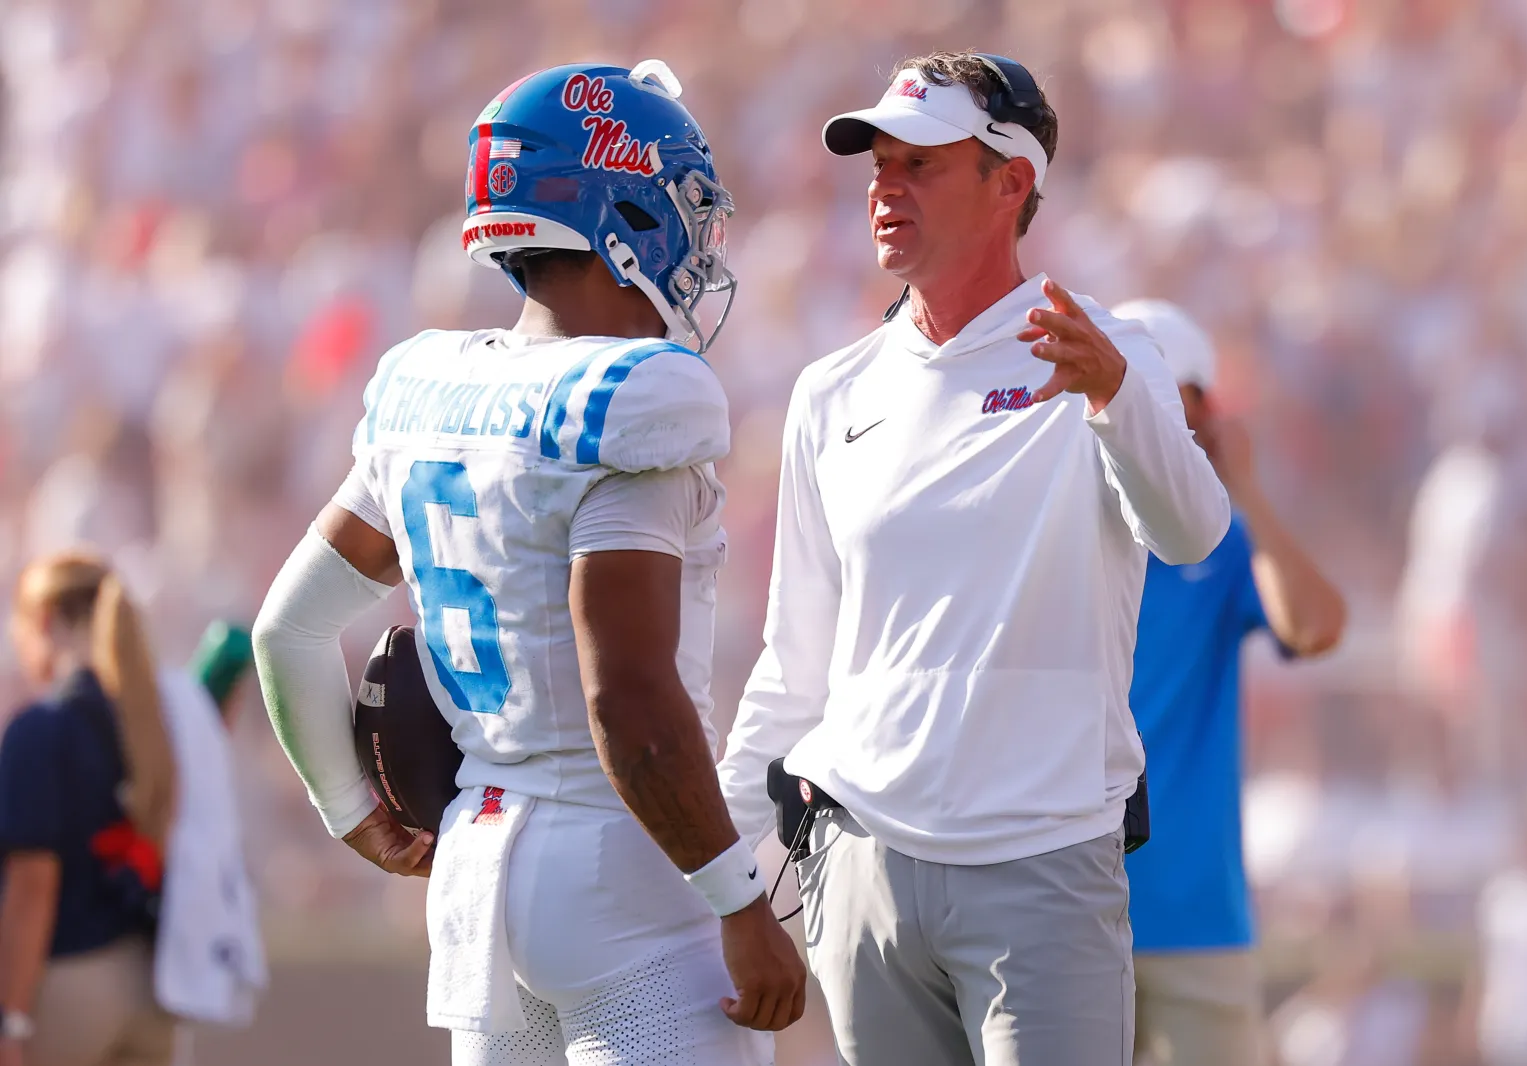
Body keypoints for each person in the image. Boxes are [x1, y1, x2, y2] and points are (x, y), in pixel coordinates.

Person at [251, 61, 806, 1066]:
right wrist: (738, 898)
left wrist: (351, 815)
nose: (693, 237)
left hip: (478, 872)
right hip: (627, 870)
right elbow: (626, 701)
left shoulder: (429, 385)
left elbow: (284, 630)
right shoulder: (638, 393)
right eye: (679, 204)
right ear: (621, 209)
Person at [717, 52, 1231, 1066]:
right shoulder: (831, 390)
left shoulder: (1108, 353)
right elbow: (795, 659)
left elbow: (1193, 533)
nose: (884, 189)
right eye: (879, 166)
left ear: (1011, 182)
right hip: (859, 868)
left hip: (1040, 865)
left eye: (919, 165)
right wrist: (722, 869)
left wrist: (1115, 395)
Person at [1111, 299, 1346, 1066]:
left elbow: (1313, 628)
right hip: (1068, 906)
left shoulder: (1223, 540)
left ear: (1204, 409)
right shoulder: (1067, 529)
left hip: (1194, 917)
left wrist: (1243, 487)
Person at [0, 552, 176, 1066]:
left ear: (45, 621)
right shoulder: (153, 719)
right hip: (150, 988)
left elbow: (34, 885)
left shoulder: (41, 729)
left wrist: (11, 1017)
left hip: (67, 986)